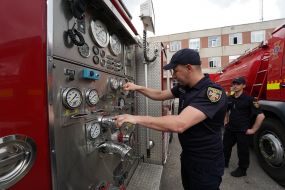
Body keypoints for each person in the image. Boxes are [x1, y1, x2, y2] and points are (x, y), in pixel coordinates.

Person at [115, 48, 228, 190]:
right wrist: (137, 87)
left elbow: (180, 124)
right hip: (188, 156)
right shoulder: (185, 87)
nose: (173, 76)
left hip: (206, 162)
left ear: (188, 68)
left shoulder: (212, 92)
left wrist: (136, 118)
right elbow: (160, 94)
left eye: (175, 70)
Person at [223, 77, 265, 177]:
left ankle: (242, 170)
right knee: (225, 147)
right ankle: (224, 163)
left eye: (238, 84)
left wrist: (253, 129)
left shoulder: (250, 99)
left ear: (244, 86)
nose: (235, 85)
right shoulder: (230, 98)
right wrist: (225, 121)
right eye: (234, 84)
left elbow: (261, 115)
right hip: (230, 129)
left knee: (242, 151)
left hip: (242, 130)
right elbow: (225, 110)